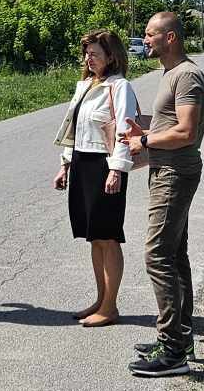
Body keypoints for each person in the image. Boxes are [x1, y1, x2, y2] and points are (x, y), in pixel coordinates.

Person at [122, 11, 204, 377]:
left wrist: (142, 140)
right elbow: (170, 125)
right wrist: (142, 128)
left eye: (150, 34)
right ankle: (181, 337)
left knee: (158, 254)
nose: (145, 40)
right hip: (166, 170)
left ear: (170, 38)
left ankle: (172, 350)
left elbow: (187, 131)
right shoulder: (169, 74)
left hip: (176, 173)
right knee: (174, 254)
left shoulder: (187, 75)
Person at [52, 29, 140, 328]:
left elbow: (126, 132)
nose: (89, 58)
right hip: (82, 162)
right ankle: (101, 300)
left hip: (104, 167)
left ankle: (111, 306)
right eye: (87, 53)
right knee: (94, 238)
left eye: (95, 53)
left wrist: (117, 169)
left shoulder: (120, 87)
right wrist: (65, 164)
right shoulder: (87, 85)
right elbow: (75, 129)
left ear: (111, 56)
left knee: (108, 236)